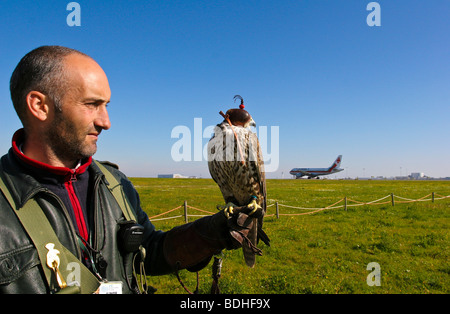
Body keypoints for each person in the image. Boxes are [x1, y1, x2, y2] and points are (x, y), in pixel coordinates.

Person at [0, 46, 254, 294]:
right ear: (40, 106)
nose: (106, 122)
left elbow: (149, 253)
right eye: (92, 105)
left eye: (106, 106)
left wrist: (210, 234)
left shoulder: (114, 183)